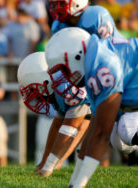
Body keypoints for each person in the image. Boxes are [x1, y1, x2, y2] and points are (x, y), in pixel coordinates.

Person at [45, 27, 138, 187]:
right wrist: (73, 182)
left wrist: (79, 184)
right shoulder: (92, 60)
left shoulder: (101, 66)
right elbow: (93, 128)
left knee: (126, 128)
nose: (64, 78)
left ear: (76, 56)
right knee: (118, 140)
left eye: (64, 70)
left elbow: (101, 134)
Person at [17, 52, 91, 177]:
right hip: (100, 111)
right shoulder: (56, 89)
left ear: (44, 81)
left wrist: (48, 167)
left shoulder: (67, 87)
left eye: (33, 90)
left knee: (124, 140)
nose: (33, 96)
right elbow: (58, 125)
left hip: (125, 107)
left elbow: (72, 128)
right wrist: (45, 161)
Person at [49, 0, 124, 39]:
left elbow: (108, 50)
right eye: (55, 5)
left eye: (61, 4)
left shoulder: (96, 16)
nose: (57, 9)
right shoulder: (58, 25)